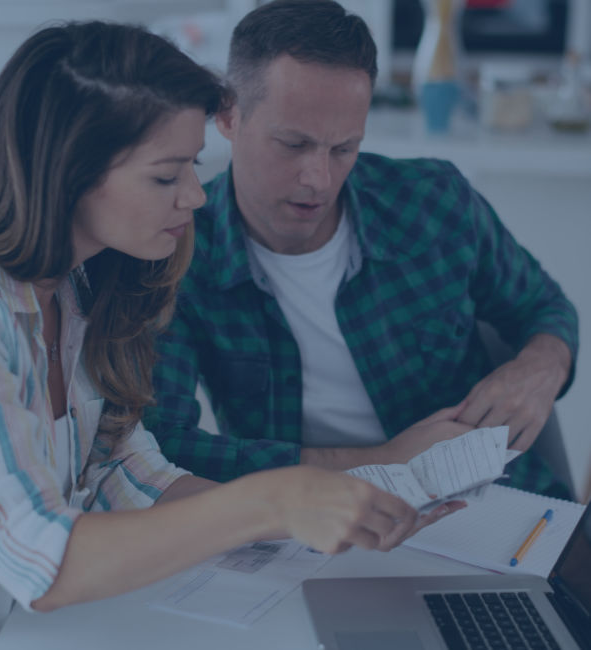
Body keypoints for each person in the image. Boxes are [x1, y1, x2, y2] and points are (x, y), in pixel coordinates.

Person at [0, 21, 466, 650]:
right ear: (68, 172)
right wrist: (271, 501)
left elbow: (130, 477)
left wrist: (324, 511)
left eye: (193, 165)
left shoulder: (82, 287)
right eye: (166, 176)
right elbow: (40, 558)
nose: (194, 195)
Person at [146, 0, 578, 496]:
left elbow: (543, 305)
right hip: (311, 516)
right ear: (228, 116)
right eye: (293, 144)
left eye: (343, 148)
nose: (319, 179)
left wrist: (542, 365)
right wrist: (384, 463)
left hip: (493, 499)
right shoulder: (178, 253)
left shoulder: (435, 201)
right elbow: (166, 444)